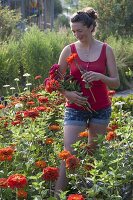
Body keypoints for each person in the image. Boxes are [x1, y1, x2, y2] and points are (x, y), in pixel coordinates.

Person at [54, 7, 120, 193]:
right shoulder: (68, 50)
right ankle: (57, 196)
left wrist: (101, 77)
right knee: (68, 155)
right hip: (75, 107)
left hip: (101, 109)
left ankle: (84, 193)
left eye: (79, 30)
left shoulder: (106, 50)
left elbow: (115, 82)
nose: (76, 34)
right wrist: (68, 94)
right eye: (73, 31)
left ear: (90, 27)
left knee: (92, 156)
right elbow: (55, 81)